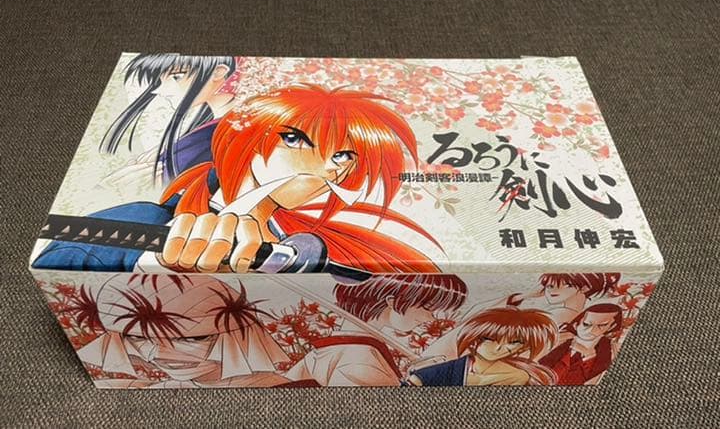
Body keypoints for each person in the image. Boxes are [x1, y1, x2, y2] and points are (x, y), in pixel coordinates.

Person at [33, 84, 442, 274]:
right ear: (243, 139)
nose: (330, 167)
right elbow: (55, 265)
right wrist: (153, 260)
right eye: (296, 140)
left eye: (343, 156)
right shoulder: (144, 220)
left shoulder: (307, 245)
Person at [71, 274, 290, 388]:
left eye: (194, 338)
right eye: (136, 338)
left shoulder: (282, 384)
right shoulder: (143, 385)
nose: (159, 354)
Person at [284, 274, 467, 386]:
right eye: (429, 308)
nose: (432, 318)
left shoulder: (324, 351)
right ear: (392, 302)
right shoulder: (360, 358)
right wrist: (423, 379)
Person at [100, 53, 237, 184]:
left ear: (218, 72)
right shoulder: (206, 124)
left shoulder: (225, 132)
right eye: (160, 80)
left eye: (176, 77)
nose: (159, 90)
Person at [407, 306, 557, 386]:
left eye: (513, 342)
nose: (498, 348)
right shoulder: (443, 371)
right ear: (473, 339)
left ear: (522, 348)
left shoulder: (520, 375)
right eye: (490, 339)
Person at [539, 303, 622, 385]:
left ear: (611, 327)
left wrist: (588, 356)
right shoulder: (561, 338)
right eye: (586, 324)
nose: (591, 330)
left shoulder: (609, 350)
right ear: (576, 324)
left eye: (602, 325)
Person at [508, 273, 620, 326]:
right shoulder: (582, 313)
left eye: (565, 285)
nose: (552, 290)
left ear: (585, 288)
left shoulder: (557, 315)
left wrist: (522, 296)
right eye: (550, 286)